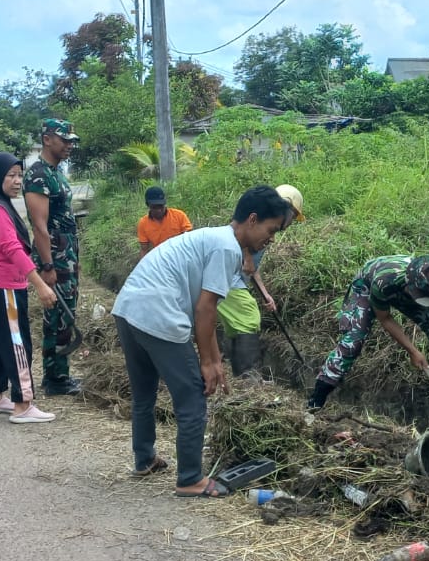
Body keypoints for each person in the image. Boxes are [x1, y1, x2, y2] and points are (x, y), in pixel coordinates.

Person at [112, 185, 294, 497]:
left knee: (144, 394)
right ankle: (190, 479)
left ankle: (144, 460)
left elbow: (206, 310)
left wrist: (213, 359)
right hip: (158, 314)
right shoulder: (227, 248)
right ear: (252, 220)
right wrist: (209, 363)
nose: (271, 238)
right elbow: (205, 308)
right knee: (193, 400)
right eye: (271, 229)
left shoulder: (214, 238)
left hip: (129, 309)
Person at [308, 254, 429, 410]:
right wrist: (412, 351)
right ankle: (316, 401)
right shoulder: (385, 281)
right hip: (368, 285)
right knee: (353, 342)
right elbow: (385, 318)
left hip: (409, 290)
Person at [0, 152, 59, 423]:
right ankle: (23, 403)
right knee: (18, 343)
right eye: (11, 175)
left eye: (19, 175)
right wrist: (41, 285)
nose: (17, 181)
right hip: (5, 286)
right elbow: (12, 250)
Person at [217, 183, 304, 377]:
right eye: (293, 215)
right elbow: (239, 238)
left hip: (235, 280)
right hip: (228, 278)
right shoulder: (259, 227)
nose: (292, 221)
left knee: (236, 324)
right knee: (248, 317)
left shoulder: (267, 231)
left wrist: (266, 296)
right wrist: (247, 256)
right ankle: (248, 375)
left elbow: (253, 270)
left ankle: (236, 371)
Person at [24, 118, 83, 397]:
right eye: (64, 139)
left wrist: (75, 257)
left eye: (71, 140)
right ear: (47, 139)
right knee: (57, 316)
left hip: (66, 254)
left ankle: (61, 373)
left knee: (66, 313)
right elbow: (39, 226)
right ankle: (55, 378)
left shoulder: (56, 172)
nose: (69, 144)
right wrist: (47, 266)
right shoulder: (38, 175)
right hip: (55, 257)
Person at [136, 185, 193, 260]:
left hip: (181, 255)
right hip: (161, 259)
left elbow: (190, 240)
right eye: (155, 207)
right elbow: (144, 250)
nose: (159, 210)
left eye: (161, 206)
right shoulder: (143, 223)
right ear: (148, 205)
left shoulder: (179, 216)